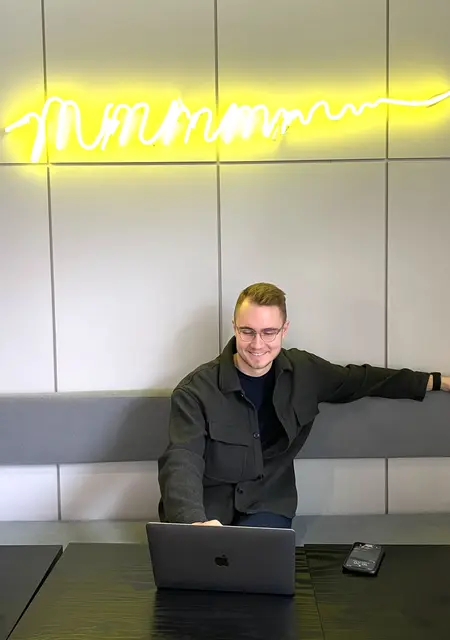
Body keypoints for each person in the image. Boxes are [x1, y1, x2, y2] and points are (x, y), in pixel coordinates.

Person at [158, 282, 449, 529]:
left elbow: (363, 380)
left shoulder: (305, 371)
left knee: (257, 568)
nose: (257, 344)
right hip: (208, 507)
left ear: (284, 330)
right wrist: (192, 521)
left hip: (267, 504)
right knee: (200, 572)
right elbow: (182, 459)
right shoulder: (195, 390)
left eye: (269, 332)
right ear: (234, 327)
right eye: (247, 331)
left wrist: (437, 382)